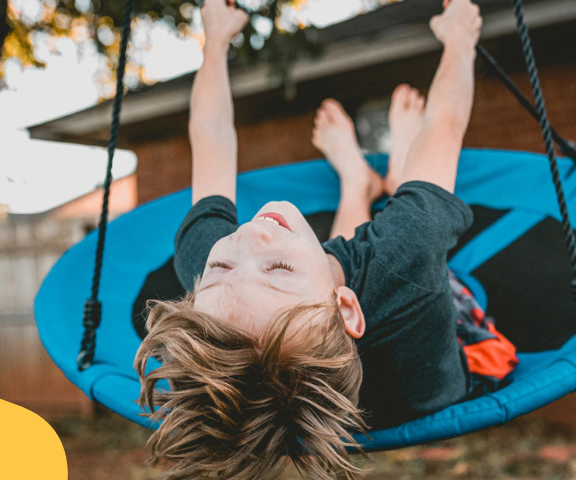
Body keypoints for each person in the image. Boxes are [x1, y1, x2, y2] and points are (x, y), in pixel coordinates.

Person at [134, 0, 516, 478]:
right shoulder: (407, 254)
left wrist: (214, 42)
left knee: (323, 261)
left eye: (222, 267)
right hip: (432, 384)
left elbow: (209, 136)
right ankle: (398, 179)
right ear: (348, 307)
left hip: (327, 391)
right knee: (385, 248)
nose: (249, 237)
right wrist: (459, 36)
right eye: (276, 269)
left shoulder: (208, 281)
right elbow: (445, 123)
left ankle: (357, 183)